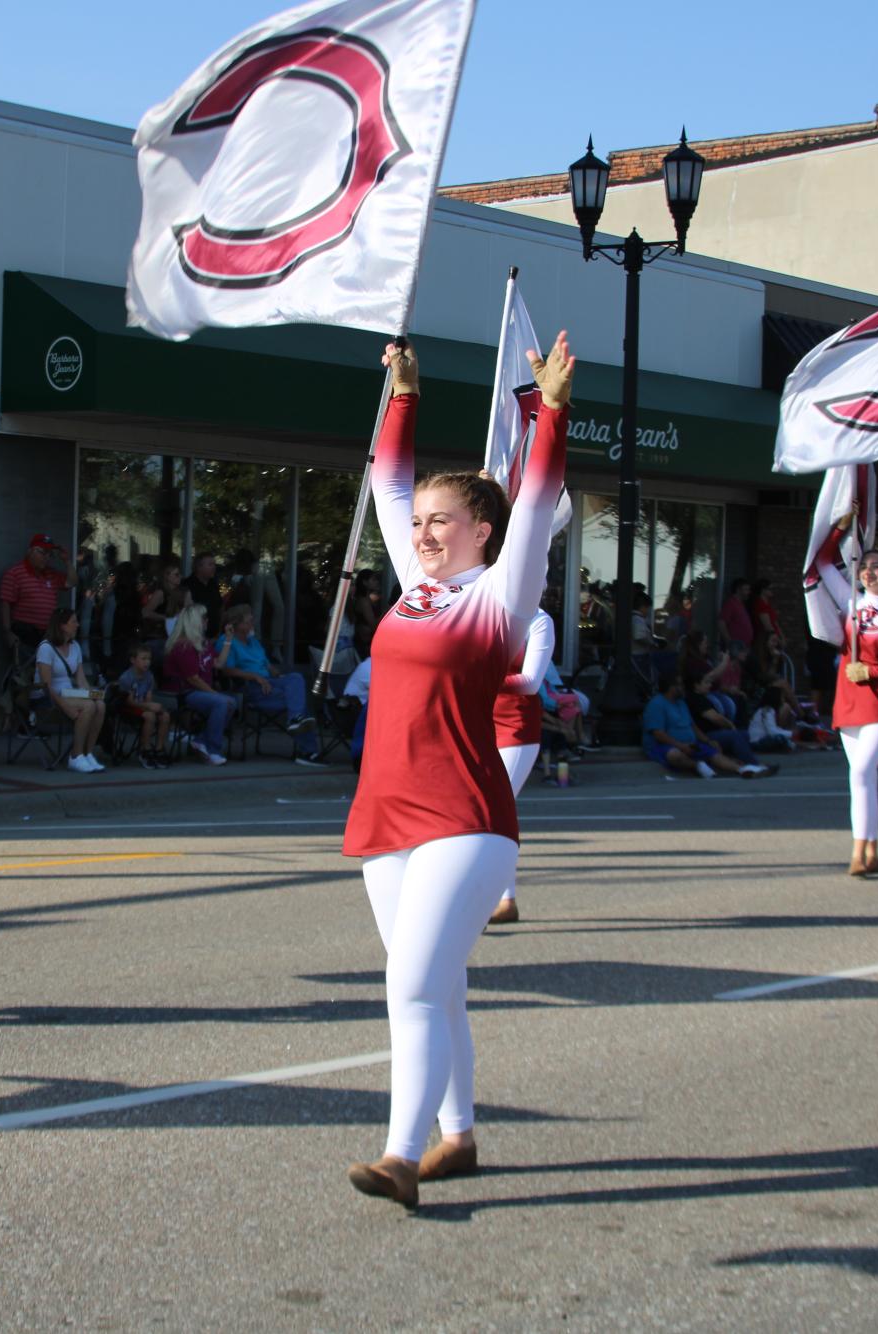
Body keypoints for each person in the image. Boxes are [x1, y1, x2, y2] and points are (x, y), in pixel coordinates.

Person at [340, 333, 572, 1209]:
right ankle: (459, 1136)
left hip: (466, 818)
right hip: (386, 813)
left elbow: (540, 493)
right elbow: (383, 482)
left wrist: (550, 412)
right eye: (420, 522)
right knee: (437, 986)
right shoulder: (414, 587)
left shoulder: (499, 595)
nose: (424, 531)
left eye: (443, 521)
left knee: (409, 986)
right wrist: (403, 393)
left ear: (484, 532)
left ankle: (401, 1157)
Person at [810, 507, 878, 878]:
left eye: (877, 566)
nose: (869, 572)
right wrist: (841, 527)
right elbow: (822, 563)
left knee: (860, 772)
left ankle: (857, 853)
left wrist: (871, 671)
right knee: (863, 779)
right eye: (864, 567)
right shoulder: (850, 602)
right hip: (848, 702)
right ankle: (872, 851)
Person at [488, 609, 555, 927]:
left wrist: (477, 678)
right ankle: (498, 898)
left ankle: (503, 899)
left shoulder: (539, 620)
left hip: (515, 727)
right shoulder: (482, 611)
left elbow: (529, 682)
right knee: (485, 813)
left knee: (494, 811)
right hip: (478, 724)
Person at [217, 604, 322, 766]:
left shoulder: (253, 642)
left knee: (295, 679)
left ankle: (297, 723)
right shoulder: (227, 641)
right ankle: (308, 751)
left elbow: (268, 666)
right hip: (250, 688)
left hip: (269, 684)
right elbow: (227, 670)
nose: (253, 624)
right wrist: (254, 676)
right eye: (249, 621)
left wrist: (281, 677)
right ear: (236, 625)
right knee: (299, 705)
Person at [643, 672, 770, 778]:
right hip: (665, 746)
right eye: (680, 685)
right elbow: (658, 734)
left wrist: (708, 740)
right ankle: (697, 765)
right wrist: (681, 746)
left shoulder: (681, 703)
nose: (683, 687)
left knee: (713, 752)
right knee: (674, 755)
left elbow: (692, 726)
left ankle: (743, 769)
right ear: (671, 687)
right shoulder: (657, 704)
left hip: (690, 743)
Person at [35, 606, 107, 772]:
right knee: (88, 706)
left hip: (69, 692)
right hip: (49, 696)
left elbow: (81, 680)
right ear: (62, 625)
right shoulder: (46, 648)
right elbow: (46, 686)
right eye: (74, 621)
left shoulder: (75, 647)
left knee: (100, 705)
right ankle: (75, 756)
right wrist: (67, 708)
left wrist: (92, 694)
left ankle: (87, 753)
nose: (78, 625)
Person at [163, 603, 234, 766]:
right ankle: (213, 749)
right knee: (222, 702)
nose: (207, 621)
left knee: (230, 702)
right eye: (204, 618)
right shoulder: (183, 646)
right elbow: (193, 678)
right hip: (184, 692)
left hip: (200, 691)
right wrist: (216, 695)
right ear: (195, 621)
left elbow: (219, 663)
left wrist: (228, 641)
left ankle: (201, 741)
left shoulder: (204, 643)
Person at [0, 533, 68, 653]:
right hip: (25, 634)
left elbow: (72, 582)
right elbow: (5, 604)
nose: (46, 557)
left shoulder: (51, 574)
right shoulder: (14, 573)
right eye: (43, 552)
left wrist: (67, 561)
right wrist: (7, 632)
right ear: (30, 551)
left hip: (47, 635)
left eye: (49, 554)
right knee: (28, 670)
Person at [115, 644, 172, 768]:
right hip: (129, 708)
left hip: (143, 706)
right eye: (143, 658)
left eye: (149, 659)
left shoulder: (149, 676)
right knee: (150, 716)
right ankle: (145, 749)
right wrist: (149, 707)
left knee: (165, 715)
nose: (147, 662)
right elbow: (129, 702)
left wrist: (151, 705)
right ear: (133, 660)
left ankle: (159, 748)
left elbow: (148, 697)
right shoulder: (126, 678)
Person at [181, 553, 224, 637]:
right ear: (199, 567)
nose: (214, 567)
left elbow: (221, 606)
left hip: (214, 634)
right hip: (194, 635)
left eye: (214, 564)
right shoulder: (188, 585)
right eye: (210, 564)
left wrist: (219, 629)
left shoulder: (213, 584)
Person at [720, 577, 755, 650]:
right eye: (746, 590)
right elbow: (721, 623)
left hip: (744, 647)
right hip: (736, 648)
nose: (749, 592)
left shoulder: (740, 604)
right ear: (738, 590)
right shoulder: (730, 604)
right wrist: (729, 641)